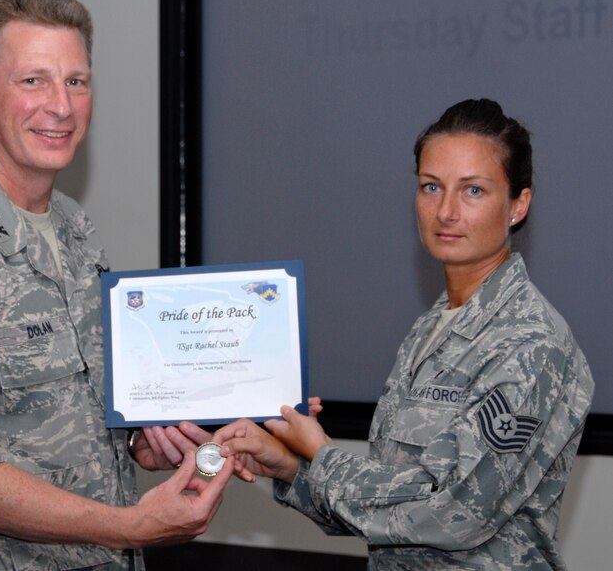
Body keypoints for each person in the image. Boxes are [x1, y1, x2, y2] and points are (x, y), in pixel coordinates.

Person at [0, 0, 232, 571]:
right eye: (33, 81)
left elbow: (69, 408)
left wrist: (139, 441)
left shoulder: (73, 230)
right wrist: (128, 527)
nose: (61, 106)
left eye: (76, 81)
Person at [211, 99, 594, 570]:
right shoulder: (431, 328)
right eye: (431, 187)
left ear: (518, 205)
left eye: (473, 190)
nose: (446, 211)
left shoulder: (530, 342)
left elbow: (452, 513)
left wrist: (322, 454)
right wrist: (293, 467)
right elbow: (391, 510)